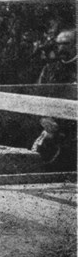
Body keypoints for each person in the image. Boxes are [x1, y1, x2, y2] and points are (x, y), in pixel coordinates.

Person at [32, 29, 77, 172]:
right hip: (54, 126)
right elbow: (36, 98)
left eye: (66, 43)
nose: (60, 47)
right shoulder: (49, 69)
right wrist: (43, 118)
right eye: (58, 44)